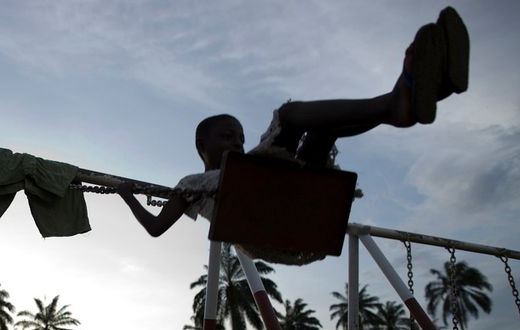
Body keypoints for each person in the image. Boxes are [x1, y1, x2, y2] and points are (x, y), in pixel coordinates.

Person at [118, 7, 469, 241]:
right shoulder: (191, 184)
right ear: (201, 146)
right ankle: (396, 103)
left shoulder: (248, 164)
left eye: (240, 137)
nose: (237, 143)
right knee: (287, 116)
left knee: (322, 131)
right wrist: (127, 195)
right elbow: (156, 227)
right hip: (262, 211)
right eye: (227, 137)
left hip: (290, 195)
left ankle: (433, 88)